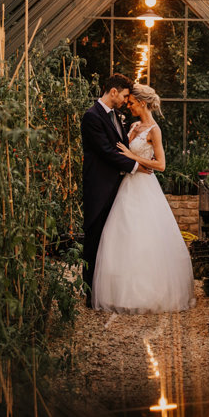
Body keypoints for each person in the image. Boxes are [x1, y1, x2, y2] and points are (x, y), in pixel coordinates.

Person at [92, 84, 196, 313]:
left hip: (145, 187)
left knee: (145, 237)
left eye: (131, 102)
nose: (127, 105)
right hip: (126, 186)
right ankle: (121, 293)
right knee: (122, 235)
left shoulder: (154, 130)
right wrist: (129, 158)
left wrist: (132, 157)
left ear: (142, 103)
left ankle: (149, 294)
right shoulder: (133, 126)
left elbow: (161, 164)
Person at [80, 73, 142, 304]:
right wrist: (137, 166)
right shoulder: (91, 116)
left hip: (117, 187)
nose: (126, 101)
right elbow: (106, 151)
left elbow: (119, 145)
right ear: (113, 92)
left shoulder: (117, 115)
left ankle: (107, 290)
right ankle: (90, 294)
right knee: (94, 239)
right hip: (98, 188)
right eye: (125, 95)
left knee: (111, 241)